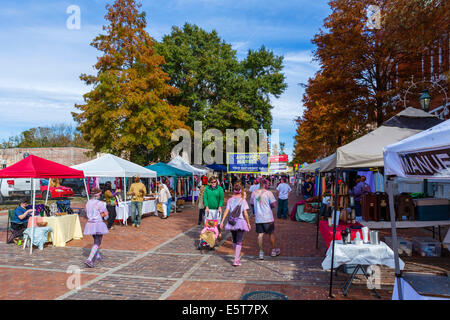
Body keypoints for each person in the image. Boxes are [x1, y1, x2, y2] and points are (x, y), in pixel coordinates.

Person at [220, 182, 251, 266]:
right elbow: (245, 214)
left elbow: (226, 211)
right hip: (240, 221)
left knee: (234, 239)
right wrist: (248, 223)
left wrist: (222, 221)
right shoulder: (243, 200)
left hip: (232, 222)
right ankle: (236, 259)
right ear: (241, 190)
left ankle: (236, 256)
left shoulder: (230, 200)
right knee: (239, 241)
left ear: (233, 190)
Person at [251, 178, 281, 260]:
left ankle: (261, 252)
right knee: (271, 233)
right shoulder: (269, 193)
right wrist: (268, 206)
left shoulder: (254, 193)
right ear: (265, 184)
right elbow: (274, 204)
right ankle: (274, 250)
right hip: (268, 217)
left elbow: (252, 203)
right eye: (267, 184)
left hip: (259, 217)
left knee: (260, 235)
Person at [83, 188, 109, 268]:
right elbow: (105, 214)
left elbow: (85, 212)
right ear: (98, 195)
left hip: (90, 224)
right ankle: (89, 259)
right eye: (100, 194)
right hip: (97, 223)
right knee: (98, 242)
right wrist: (106, 216)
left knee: (95, 240)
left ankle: (97, 255)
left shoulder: (88, 202)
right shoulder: (100, 203)